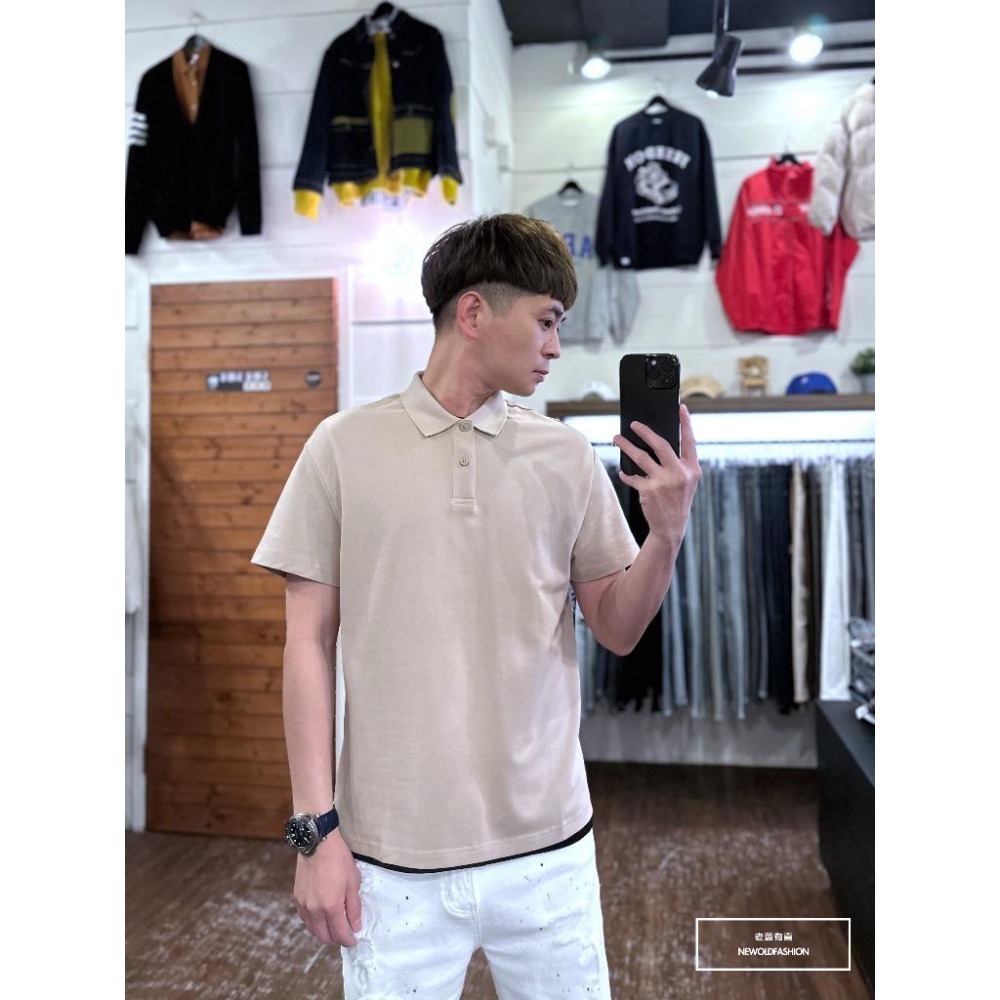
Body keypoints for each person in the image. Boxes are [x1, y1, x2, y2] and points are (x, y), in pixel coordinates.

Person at [251, 213, 701, 999]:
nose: (556, 346)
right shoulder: (340, 448)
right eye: (547, 320)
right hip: (391, 862)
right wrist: (314, 834)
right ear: (473, 313)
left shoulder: (565, 456)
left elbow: (619, 629)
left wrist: (665, 535)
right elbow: (306, 646)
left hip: (549, 854)